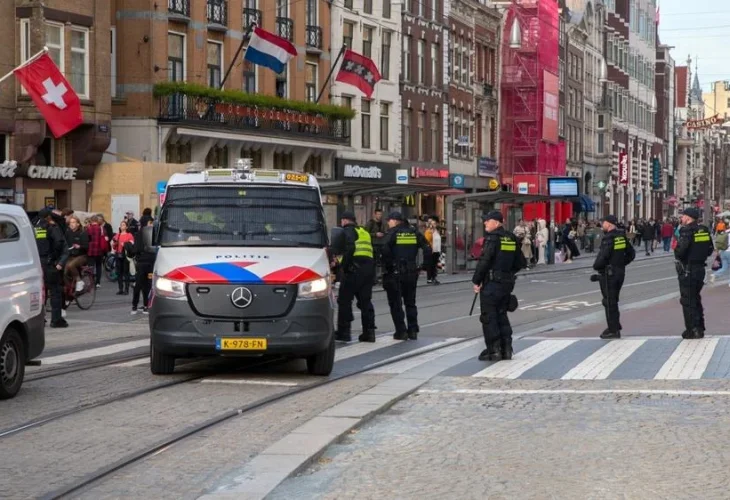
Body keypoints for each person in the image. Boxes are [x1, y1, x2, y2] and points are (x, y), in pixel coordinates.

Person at [472, 211, 526, 361]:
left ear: (496, 223)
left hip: (492, 284)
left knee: (489, 317)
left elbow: (484, 261)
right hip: (506, 284)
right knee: (502, 315)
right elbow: (521, 262)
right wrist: (507, 273)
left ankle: (494, 350)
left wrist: (477, 280)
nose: (485, 223)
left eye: (487, 220)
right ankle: (507, 349)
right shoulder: (511, 238)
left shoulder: (492, 238)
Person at [381, 211, 432, 340]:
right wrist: (424, 266)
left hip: (395, 272)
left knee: (396, 303)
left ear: (395, 221)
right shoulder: (414, 232)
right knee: (410, 302)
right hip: (411, 271)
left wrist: (388, 265)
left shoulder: (392, 233)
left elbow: (384, 249)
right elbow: (427, 248)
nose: (388, 223)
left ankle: (401, 331)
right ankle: (413, 330)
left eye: (389, 220)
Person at [333, 211, 377, 343]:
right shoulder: (364, 232)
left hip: (353, 271)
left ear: (344, 221)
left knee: (344, 301)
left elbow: (349, 248)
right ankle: (369, 332)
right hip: (368, 271)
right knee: (365, 301)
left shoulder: (346, 231)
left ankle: (344, 332)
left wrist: (343, 266)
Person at [591, 215, 635, 339]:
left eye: (603, 223)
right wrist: (620, 264)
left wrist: (596, 266)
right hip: (619, 273)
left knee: (609, 302)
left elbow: (603, 257)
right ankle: (615, 325)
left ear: (609, 224)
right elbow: (631, 254)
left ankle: (613, 330)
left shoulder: (608, 239)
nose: (602, 225)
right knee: (613, 300)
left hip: (609, 274)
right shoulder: (621, 236)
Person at [675, 207, 714, 339]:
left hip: (688, 270)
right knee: (696, 298)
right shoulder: (704, 230)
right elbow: (710, 249)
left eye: (683, 216)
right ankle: (700, 327)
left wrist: (677, 249)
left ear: (688, 217)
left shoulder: (686, 231)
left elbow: (680, 251)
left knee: (688, 300)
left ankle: (692, 330)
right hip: (700, 268)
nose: (681, 218)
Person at [34, 209, 69, 328]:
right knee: (55, 291)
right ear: (49, 217)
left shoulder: (34, 227)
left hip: (37, 263)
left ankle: (40, 319)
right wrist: (57, 260)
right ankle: (56, 320)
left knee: (40, 292)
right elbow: (60, 244)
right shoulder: (52, 227)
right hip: (50, 263)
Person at [129, 218, 156, 314]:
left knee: (140, 284)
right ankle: (145, 306)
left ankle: (135, 306)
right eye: (150, 222)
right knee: (147, 284)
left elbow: (135, 249)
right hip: (149, 262)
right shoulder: (153, 233)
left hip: (143, 262)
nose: (152, 225)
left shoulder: (139, 234)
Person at [64, 215, 89, 293]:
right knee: (64, 271)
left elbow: (86, 246)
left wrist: (79, 246)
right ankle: (69, 290)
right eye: (70, 223)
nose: (71, 224)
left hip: (81, 256)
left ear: (78, 224)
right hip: (71, 255)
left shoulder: (83, 233)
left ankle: (79, 281)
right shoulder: (68, 233)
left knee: (71, 265)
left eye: (74, 222)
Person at [112, 221, 135, 295]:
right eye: (121, 225)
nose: (122, 226)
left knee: (126, 273)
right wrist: (114, 244)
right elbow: (114, 247)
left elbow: (132, 245)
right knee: (119, 273)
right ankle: (120, 289)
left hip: (126, 255)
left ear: (126, 227)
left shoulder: (129, 235)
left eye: (124, 225)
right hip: (118, 255)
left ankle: (126, 289)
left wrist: (124, 244)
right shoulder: (117, 235)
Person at [424, 217, 442, 284]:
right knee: (430, 265)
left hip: (437, 250)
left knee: (434, 265)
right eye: (432, 224)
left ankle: (434, 278)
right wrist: (431, 232)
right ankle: (429, 279)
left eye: (435, 223)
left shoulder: (437, 231)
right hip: (431, 250)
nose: (434, 225)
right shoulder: (428, 231)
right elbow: (427, 240)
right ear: (430, 224)